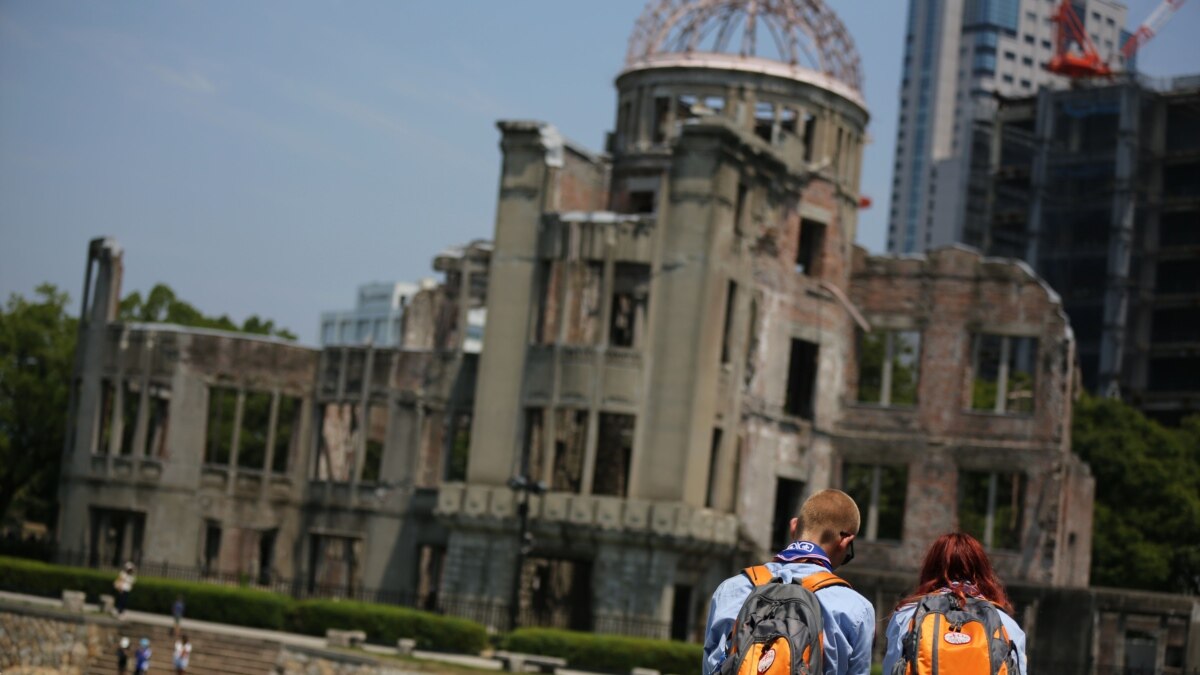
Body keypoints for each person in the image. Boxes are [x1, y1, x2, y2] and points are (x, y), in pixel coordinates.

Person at [703, 489, 875, 675]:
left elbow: (710, 667)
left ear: (794, 527)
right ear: (845, 541)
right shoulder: (855, 608)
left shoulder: (731, 589)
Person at [882, 532, 1027, 675]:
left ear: (931, 568)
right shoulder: (1004, 623)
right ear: (983, 570)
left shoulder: (907, 615)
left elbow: (891, 668)